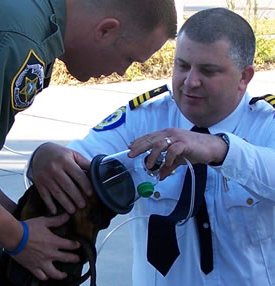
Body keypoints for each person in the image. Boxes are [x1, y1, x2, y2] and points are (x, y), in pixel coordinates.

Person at [27, 8, 275, 286]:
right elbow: (76, 163)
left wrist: (220, 150)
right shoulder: (143, 118)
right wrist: (44, 157)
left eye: (208, 71)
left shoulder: (267, 123)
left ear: (245, 77)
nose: (190, 81)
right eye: (182, 65)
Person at [0, 0, 177, 280]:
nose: (123, 73)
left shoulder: (31, 17)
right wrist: (20, 239)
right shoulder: (19, 43)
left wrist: (18, 220)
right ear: (106, 30)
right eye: (128, 58)